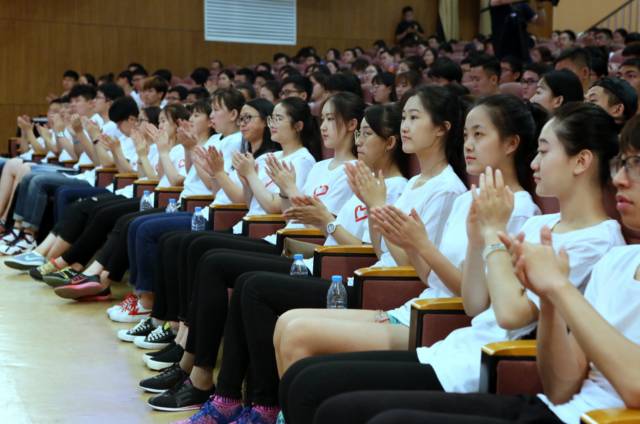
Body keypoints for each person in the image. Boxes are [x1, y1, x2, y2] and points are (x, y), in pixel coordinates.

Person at [280, 102, 625, 424]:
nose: (535, 163)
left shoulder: (591, 239)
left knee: (318, 388)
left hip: (482, 361)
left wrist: (487, 235)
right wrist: (476, 239)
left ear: (581, 161)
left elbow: (511, 315)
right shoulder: (538, 224)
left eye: (545, 152)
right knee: (305, 378)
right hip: (456, 345)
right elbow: (475, 304)